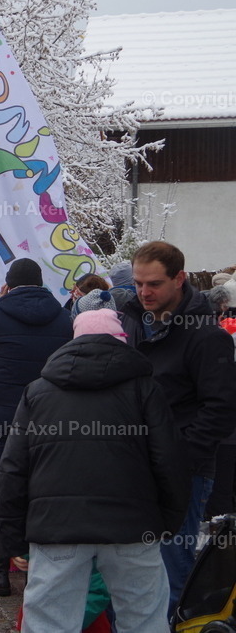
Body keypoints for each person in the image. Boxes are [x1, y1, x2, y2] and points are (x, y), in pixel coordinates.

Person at [0, 309, 189, 633]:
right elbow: (169, 460)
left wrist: (13, 539)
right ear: (121, 340)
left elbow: (13, 468)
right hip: (132, 526)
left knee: (49, 622)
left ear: (74, 340)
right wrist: (166, 523)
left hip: (56, 527)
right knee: (144, 618)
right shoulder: (145, 388)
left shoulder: (38, 391)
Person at [117, 241, 236, 612]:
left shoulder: (205, 334)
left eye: (153, 284)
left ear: (180, 279)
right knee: (133, 567)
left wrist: (179, 457)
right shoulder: (135, 318)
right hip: (137, 461)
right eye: (137, 283)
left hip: (183, 470)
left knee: (171, 567)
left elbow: (222, 407)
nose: (143, 292)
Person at [0, 257, 72, 596]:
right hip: (49, 415)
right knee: (42, 489)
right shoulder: (63, 315)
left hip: (2, 416)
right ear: (41, 283)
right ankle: (40, 569)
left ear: (8, 283)